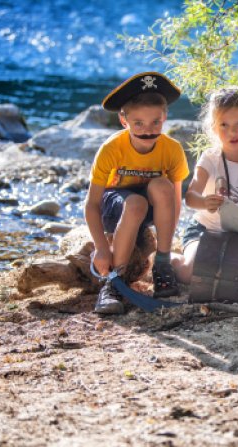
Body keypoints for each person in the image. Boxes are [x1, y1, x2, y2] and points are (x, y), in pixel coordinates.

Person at [85, 71, 190, 315]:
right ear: (124, 121)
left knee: (162, 186)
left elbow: (175, 201)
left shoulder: (172, 150)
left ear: (164, 117)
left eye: (155, 122)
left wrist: (166, 249)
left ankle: (162, 266)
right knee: (135, 204)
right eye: (138, 123)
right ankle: (113, 281)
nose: (148, 130)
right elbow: (91, 203)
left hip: (152, 207)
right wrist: (100, 247)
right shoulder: (111, 148)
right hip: (116, 206)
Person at [173, 87, 238, 283]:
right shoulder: (210, 158)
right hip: (208, 229)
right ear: (214, 128)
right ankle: (166, 259)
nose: (232, 132)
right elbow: (191, 197)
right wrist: (205, 202)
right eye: (224, 124)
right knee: (187, 273)